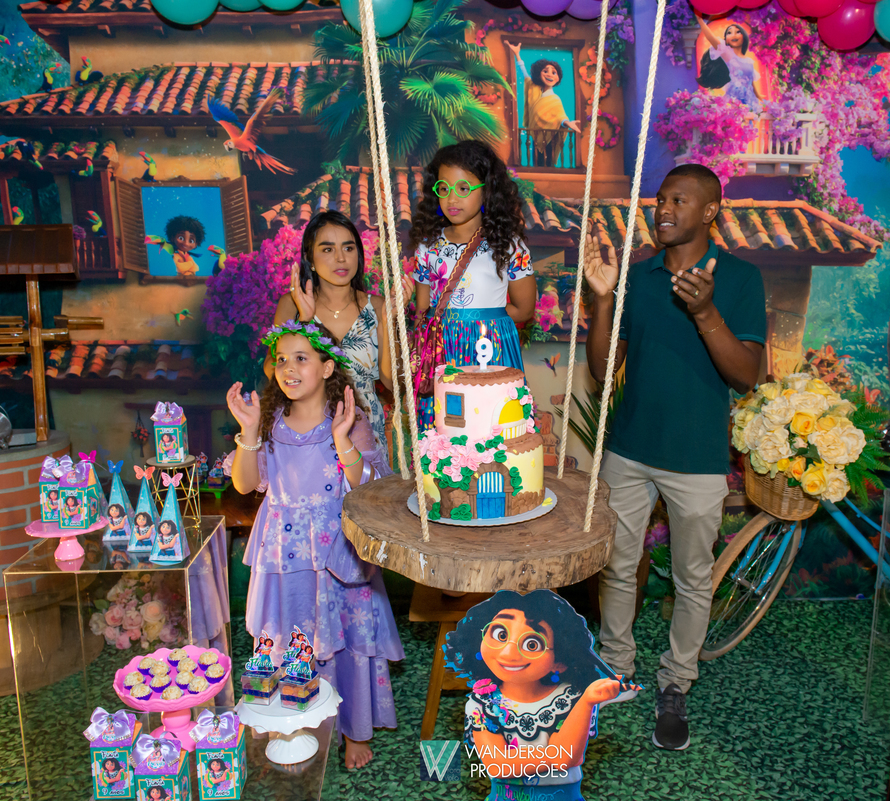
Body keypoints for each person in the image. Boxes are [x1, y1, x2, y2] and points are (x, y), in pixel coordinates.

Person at [584, 163, 765, 751]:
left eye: (679, 200)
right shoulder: (638, 276)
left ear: (710, 211)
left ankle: (676, 683)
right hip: (629, 449)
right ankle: (615, 668)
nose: (663, 209)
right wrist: (604, 302)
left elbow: (747, 376)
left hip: (698, 459)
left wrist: (706, 312)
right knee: (617, 566)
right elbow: (603, 369)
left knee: (692, 580)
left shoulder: (739, 279)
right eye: (660, 199)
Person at [227, 319, 403, 770]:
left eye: (301, 358)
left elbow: (367, 487)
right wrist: (249, 431)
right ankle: (293, 720)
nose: (288, 368)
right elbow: (245, 484)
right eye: (281, 359)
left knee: (344, 637)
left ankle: (351, 727)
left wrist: (342, 440)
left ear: (327, 368)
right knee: (292, 633)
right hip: (284, 556)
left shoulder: (348, 422)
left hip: (336, 551)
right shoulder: (269, 424)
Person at [442, 591, 633, 801]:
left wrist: (587, 702)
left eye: (532, 644)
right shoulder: (480, 704)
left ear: (560, 661)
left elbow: (567, 757)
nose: (508, 653)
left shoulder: (575, 697)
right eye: (501, 635)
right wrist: (556, 756)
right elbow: (497, 766)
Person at [408, 141, 538, 429]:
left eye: (463, 188)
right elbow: (422, 310)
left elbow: (524, 309)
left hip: (490, 346)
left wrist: (479, 322)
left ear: (487, 189)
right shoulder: (427, 247)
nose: (452, 198)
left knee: (493, 424)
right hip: (441, 351)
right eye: (443, 188)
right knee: (447, 426)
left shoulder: (509, 245)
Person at [273, 210, 395, 453]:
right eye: (328, 249)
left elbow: (393, 383)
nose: (341, 258)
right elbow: (274, 372)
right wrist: (305, 323)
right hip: (308, 431)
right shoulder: (292, 305)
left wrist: (387, 324)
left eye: (348, 248)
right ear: (309, 258)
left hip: (364, 430)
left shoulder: (378, 307)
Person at [508, 43, 582, 168]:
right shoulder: (534, 90)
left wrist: (567, 123)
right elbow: (524, 75)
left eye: (554, 72)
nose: (550, 74)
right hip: (536, 135)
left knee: (548, 162)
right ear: (538, 73)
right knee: (536, 160)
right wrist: (517, 55)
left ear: (558, 78)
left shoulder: (555, 99)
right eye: (545, 71)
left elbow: (560, 116)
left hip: (550, 138)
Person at [696, 17, 763, 111]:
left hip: (750, 99)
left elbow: (751, 81)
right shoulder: (728, 54)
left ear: (743, 37)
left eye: (737, 32)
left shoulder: (749, 61)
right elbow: (712, 38)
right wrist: (701, 22)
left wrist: (758, 96)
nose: (733, 35)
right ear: (726, 40)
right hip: (734, 98)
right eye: (729, 33)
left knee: (750, 118)